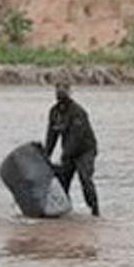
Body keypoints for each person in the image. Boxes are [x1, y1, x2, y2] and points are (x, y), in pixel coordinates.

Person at [44, 81, 100, 217]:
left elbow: (77, 136)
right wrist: (46, 156)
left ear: (70, 92)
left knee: (85, 179)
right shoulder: (54, 112)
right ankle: (64, 211)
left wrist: (65, 155)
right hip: (68, 151)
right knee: (63, 182)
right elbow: (52, 136)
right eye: (58, 89)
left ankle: (95, 211)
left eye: (64, 89)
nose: (60, 92)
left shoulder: (77, 112)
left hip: (85, 150)